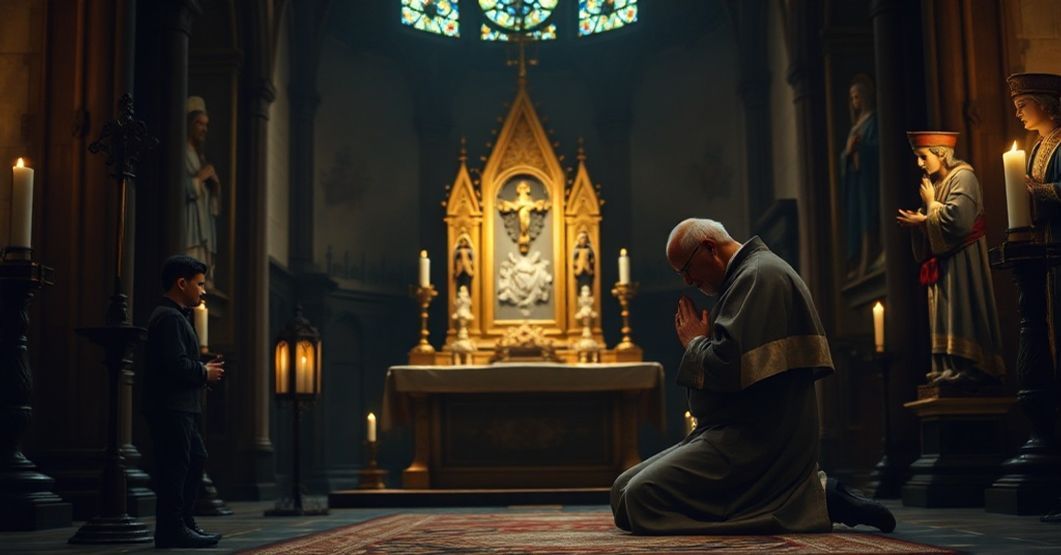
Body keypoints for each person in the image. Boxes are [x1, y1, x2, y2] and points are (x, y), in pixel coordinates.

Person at [610, 218, 895, 535]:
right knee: (621, 491)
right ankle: (803, 497)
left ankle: (810, 499)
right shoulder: (743, 278)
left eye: (686, 269)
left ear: (709, 247)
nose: (688, 280)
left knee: (639, 499)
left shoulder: (760, 276)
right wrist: (701, 345)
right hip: (734, 430)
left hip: (758, 443)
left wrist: (694, 343)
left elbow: (729, 368)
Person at [896, 132, 1006, 385]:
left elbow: (959, 221)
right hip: (946, 262)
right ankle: (949, 365)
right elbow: (935, 220)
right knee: (946, 311)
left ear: (941, 153)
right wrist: (921, 221)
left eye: (923, 157)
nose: (920, 164)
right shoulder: (938, 182)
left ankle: (971, 367)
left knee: (963, 307)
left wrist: (928, 212)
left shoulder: (964, 178)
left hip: (964, 261)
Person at [143, 255, 224, 548]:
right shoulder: (168, 318)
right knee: (175, 468)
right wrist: (204, 372)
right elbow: (174, 366)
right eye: (200, 284)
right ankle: (171, 528)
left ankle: (184, 523)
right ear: (182, 283)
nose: (203, 291)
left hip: (181, 407)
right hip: (171, 408)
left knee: (194, 460)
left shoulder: (174, 317)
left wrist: (202, 373)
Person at [1008, 72, 1061, 362]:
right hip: (1044, 243)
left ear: (1045, 104)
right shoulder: (1039, 146)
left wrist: (1039, 191)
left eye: (1023, 104)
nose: (1017, 112)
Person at [840, 74, 882, 279]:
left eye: (858, 96)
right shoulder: (855, 126)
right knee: (857, 219)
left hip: (868, 180)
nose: (855, 101)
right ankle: (860, 261)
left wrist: (860, 149)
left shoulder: (873, 120)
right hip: (856, 181)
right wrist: (848, 153)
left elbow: (878, 149)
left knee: (868, 216)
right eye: (852, 98)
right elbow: (844, 156)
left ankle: (869, 259)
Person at [185, 96, 221, 274]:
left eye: (206, 125)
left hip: (202, 225)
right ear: (190, 124)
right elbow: (179, 189)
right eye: (200, 124)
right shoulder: (182, 153)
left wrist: (215, 188)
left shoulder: (200, 157)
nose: (204, 129)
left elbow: (211, 204)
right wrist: (199, 178)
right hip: (190, 223)